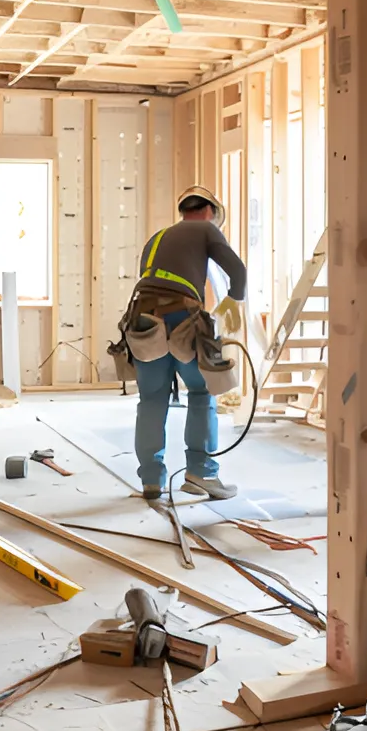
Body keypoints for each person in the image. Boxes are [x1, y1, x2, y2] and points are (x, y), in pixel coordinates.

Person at [128, 186, 247, 501]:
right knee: (201, 390)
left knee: (152, 399)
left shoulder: (157, 238)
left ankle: (151, 480)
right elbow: (238, 271)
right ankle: (201, 474)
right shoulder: (206, 229)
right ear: (209, 212)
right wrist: (234, 303)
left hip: (142, 319)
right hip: (181, 318)